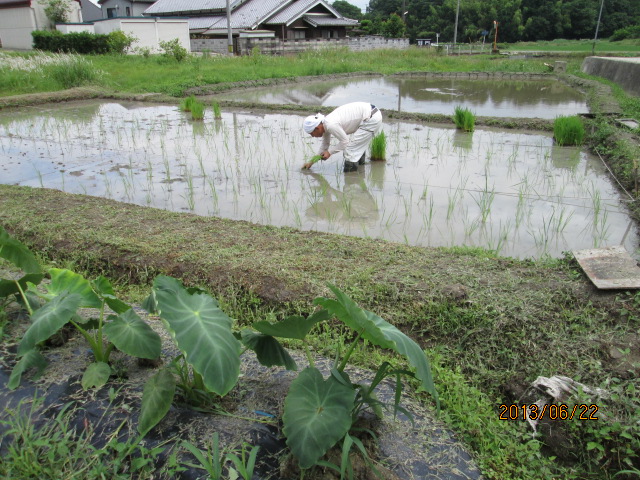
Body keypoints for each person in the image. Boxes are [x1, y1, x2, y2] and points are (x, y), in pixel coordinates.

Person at [302, 102, 382, 172]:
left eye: (312, 133)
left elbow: (345, 142)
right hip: (370, 114)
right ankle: (360, 171)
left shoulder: (330, 125)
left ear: (317, 128)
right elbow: (324, 145)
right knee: (356, 146)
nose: (313, 136)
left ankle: (351, 179)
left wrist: (330, 152)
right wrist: (311, 162)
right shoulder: (325, 125)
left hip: (371, 118)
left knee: (350, 150)